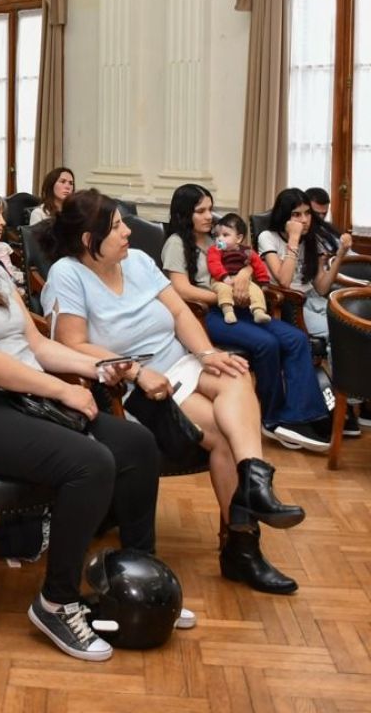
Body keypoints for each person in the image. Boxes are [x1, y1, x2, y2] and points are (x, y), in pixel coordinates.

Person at [0, 178, 165, 662]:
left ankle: (137, 578)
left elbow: (37, 345)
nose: (0, 224)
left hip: (18, 398)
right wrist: (64, 390)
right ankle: (57, 602)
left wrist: (100, 367)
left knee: (137, 446)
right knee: (92, 463)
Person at [41, 189, 305, 596]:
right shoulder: (67, 274)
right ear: (90, 242)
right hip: (136, 386)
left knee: (236, 372)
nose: (129, 231)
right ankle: (243, 545)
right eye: (117, 227)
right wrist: (136, 369)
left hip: (183, 363)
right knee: (222, 433)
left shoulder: (140, 263)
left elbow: (181, 312)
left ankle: (254, 479)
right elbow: (72, 345)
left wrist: (207, 352)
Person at [163, 185, 337, 448]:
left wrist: (244, 275)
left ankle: (300, 415)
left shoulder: (216, 238)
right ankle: (273, 417)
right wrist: (225, 296)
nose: (210, 216)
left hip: (241, 307)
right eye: (201, 211)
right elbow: (180, 288)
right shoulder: (176, 243)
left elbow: (242, 259)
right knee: (267, 344)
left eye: (210, 208)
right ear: (184, 214)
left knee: (295, 339)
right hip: (209, 315)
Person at [258, 187, 353, 340]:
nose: (304, 220)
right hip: (290, 303)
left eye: (308, 213)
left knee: (353, 321)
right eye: (296, 214)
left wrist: (340, 255)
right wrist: (293, 239)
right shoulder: (268, 237)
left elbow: (322, 288)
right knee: (338, 331)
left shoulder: (311, 239)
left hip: (313, 298)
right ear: (284, 216)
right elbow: (284, 281)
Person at [208, 214, 272, 325]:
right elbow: (214, 263)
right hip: (220, 279)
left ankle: (258, 312)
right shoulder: (216, 249)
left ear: (239, 238)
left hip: (242, 280)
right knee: (224, 290)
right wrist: (224, 277)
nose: (220, 239)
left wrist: (264, 282)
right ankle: (228, 312)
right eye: (217, 235)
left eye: (225, 235)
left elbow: (259, 266)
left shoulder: (247, 251)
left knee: (255, 290)